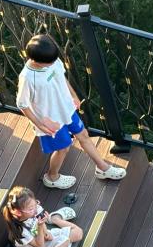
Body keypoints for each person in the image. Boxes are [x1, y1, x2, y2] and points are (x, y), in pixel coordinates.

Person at [16, 34, 126, 190]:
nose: (53, 63)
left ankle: (103, 168)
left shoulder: (52, 60)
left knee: (84, 135)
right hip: (50, 120)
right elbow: (22, 105)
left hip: (67, 110)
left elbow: (62, 78)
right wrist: (40, 124)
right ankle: (52, 177)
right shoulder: (27, 78)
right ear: (35, 60)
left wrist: (74, 96)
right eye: (49, 62)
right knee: (63, 148)